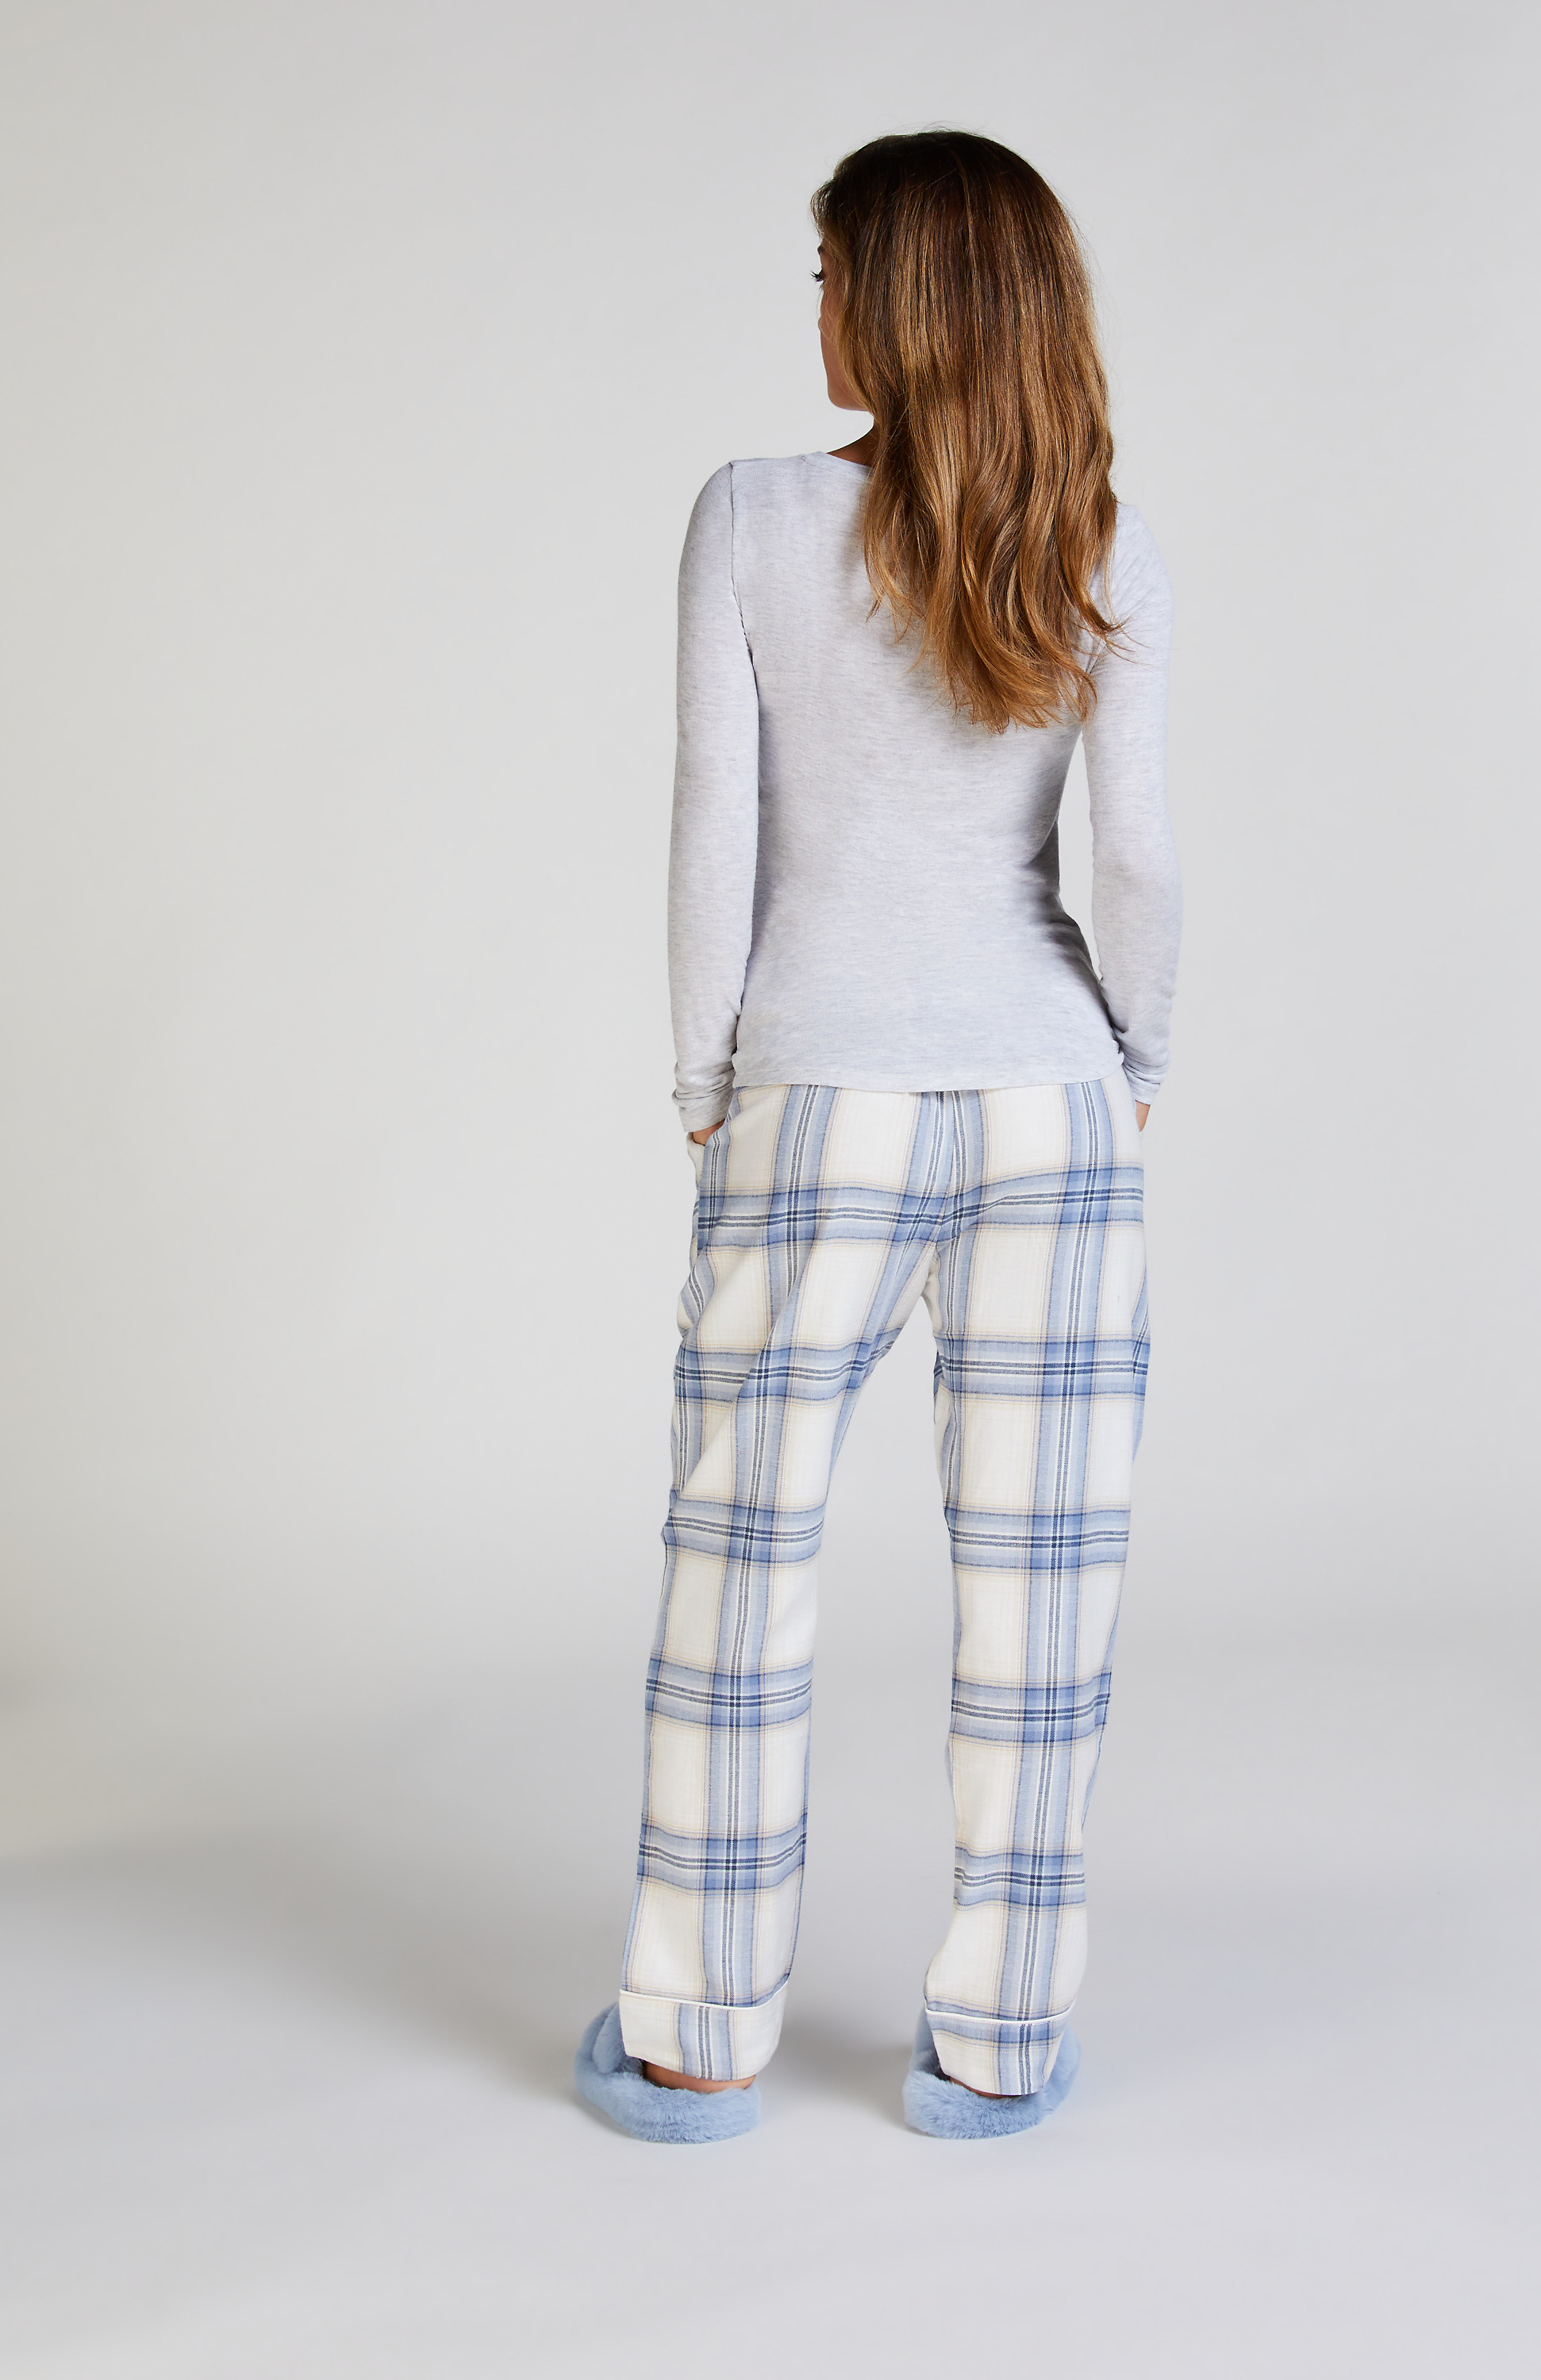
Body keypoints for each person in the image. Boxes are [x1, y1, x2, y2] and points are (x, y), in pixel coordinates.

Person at [575, 129, 1181, 2144]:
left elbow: (712, 826)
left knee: (737, 1562)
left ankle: (696, 2038)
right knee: (1041, 1589)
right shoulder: (1097, 541)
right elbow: (1135, 863)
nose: (817, 307)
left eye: (830, 272)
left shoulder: (750, 517)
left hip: (815, 1084)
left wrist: (703, 1080)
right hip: (1050, 1101)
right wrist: (1135, 1052)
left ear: (900, 302)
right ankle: (999, 2046)